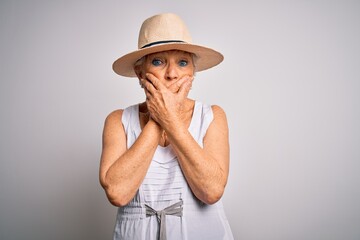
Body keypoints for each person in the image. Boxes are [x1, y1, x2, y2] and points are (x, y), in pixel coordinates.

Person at [99, 13, 234, 240]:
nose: (172, 74)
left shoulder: (213, 116)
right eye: (158, 61)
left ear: (192, 73)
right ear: (140, 73)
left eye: (182, 62)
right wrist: (159, 118)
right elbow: (118, 193)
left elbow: (211, 191)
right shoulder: (118, 121)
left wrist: (170, 120)